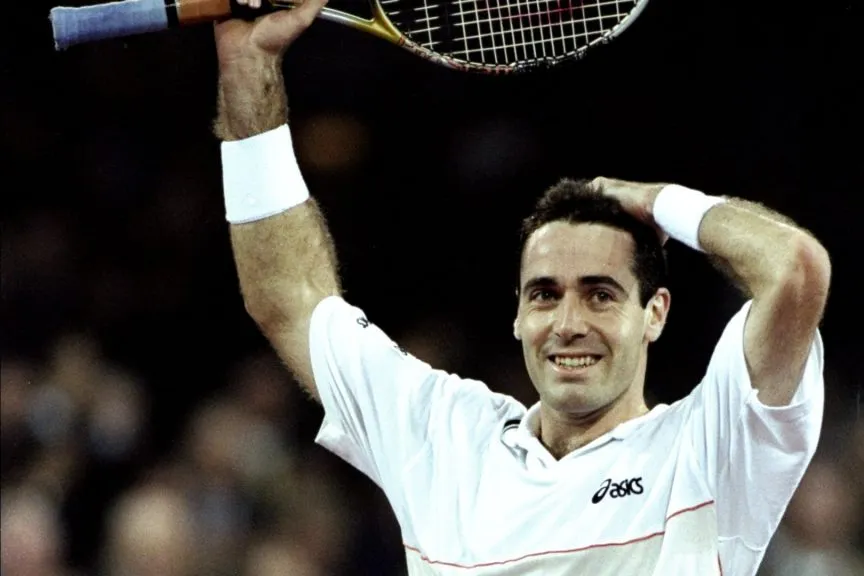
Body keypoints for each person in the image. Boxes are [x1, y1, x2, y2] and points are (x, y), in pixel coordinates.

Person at [212, 0, 832, 573]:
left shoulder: (711, 449)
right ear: (517, 314)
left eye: (600, 294)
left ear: (656, 312)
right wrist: (248, 69)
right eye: (544, 294)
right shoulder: (444, 439)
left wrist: (657, 201)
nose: (568, 323)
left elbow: (795, 268)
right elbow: (287, 297)